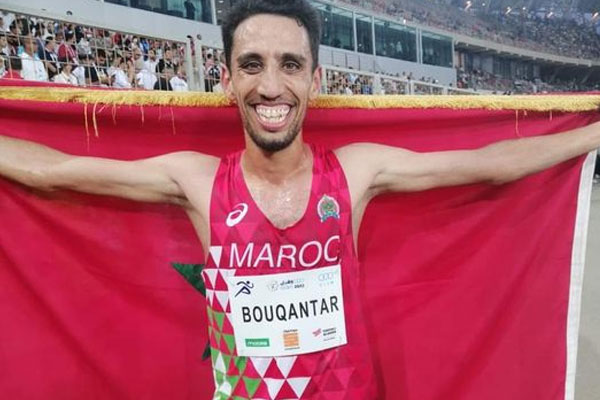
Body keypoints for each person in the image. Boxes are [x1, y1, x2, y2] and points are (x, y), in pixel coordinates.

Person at [0, 0, 599, 398]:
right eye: (251, 64)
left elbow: (487, 165)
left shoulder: (356, 172)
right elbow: (54, 172)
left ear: (314, 80)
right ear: (227, 79)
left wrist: (591, 134)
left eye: (290, 65)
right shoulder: (197, 181)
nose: (270, 86)